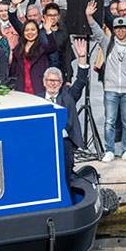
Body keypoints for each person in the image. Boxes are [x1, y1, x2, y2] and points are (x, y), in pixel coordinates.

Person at [86, 2, 126, 163]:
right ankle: (109, 150)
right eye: (117, 28)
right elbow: (97, 32)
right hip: (110, 89)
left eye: (123, 28)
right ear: (114, 30)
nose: (120, 31)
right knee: (109, 121)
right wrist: (89, 16)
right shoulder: (107, 43)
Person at [41, 38, 89, 177]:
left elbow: (80, 82)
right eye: (50, 80)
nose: (53, 84)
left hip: (64, 141)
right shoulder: (37, 99)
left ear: (61, 83)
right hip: (44, 139)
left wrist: (81, 59)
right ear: (44, 82)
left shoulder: (67, 96)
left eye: (56, 81)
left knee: (66, 168)